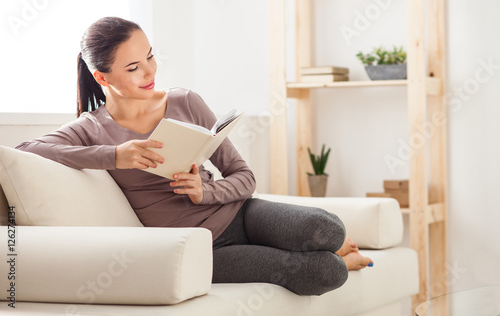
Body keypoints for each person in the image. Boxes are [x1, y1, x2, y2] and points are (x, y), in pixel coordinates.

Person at [16, 17, 373, 296]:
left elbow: (243, 176)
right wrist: (115, 156)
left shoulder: (185, 101)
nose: (150, 72)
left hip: (240, 213)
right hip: (199, 247)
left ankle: (338, 248)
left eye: (150, 56)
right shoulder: (91, 128)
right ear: (101, 77)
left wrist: (206, 192)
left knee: (328, 228)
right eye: (133, 68)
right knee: (326, 272)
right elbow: (26, 151)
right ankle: (342, 259)